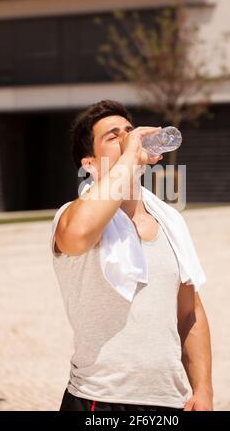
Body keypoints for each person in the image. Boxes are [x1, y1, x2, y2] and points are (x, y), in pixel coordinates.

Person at [51, 100, 213, 412]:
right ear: (90, 164)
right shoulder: (71, 215)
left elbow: (190, 314)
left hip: (169, 402)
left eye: (130, 131)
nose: (129, 139)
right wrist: (128, 157)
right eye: (113, 137)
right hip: (100, 399)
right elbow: (77, 236)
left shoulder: (170, 221)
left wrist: (203, 390)